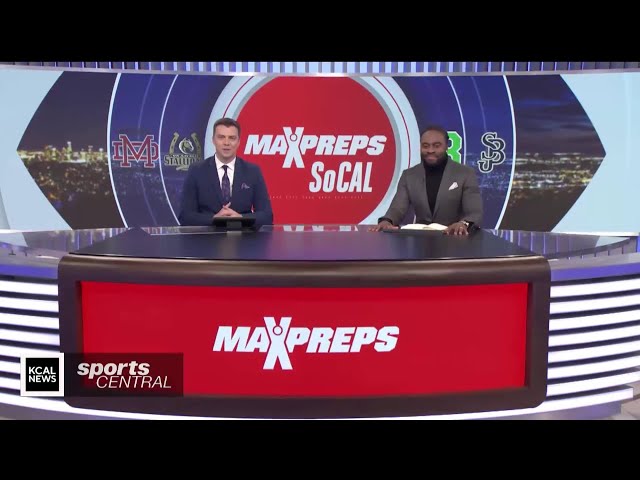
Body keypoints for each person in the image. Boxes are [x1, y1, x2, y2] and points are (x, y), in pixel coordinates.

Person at [369, 125, 482, 235]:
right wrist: (387, 221)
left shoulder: (465, 173)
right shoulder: (409, 175)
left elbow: (474, 212)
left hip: (454, 238)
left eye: (436, 146)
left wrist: (463, 224)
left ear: (447, 146)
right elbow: (397, 209)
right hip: (420, 240)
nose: (430, 150)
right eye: (425, 146)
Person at [178, 117, 273, 227]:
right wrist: (214, 219)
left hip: (243, 236)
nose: (226, 143)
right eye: (221, 137)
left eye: (232, 138)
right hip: (207, 236)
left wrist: (241, 218)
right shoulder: (197, 171)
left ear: (238, 142)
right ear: (213, 140)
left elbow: (267, 216)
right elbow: (185, 216)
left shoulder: (252, 171)